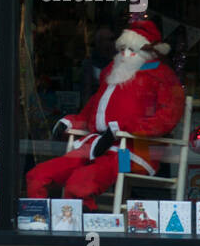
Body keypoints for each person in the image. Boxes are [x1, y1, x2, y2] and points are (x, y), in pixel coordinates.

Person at [26, 19, 185, 209]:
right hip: (96, 145)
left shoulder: (160, 76)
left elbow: (167, 118)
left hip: (132, 151)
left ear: (148, 52)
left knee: (79, 184)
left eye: (131, 50)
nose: (125, 55)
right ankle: (38, 221)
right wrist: (70, 123)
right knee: (37, 175)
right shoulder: (114, 73)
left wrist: (123, 128)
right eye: (122, 50)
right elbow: (94, 108)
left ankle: (84, 229)